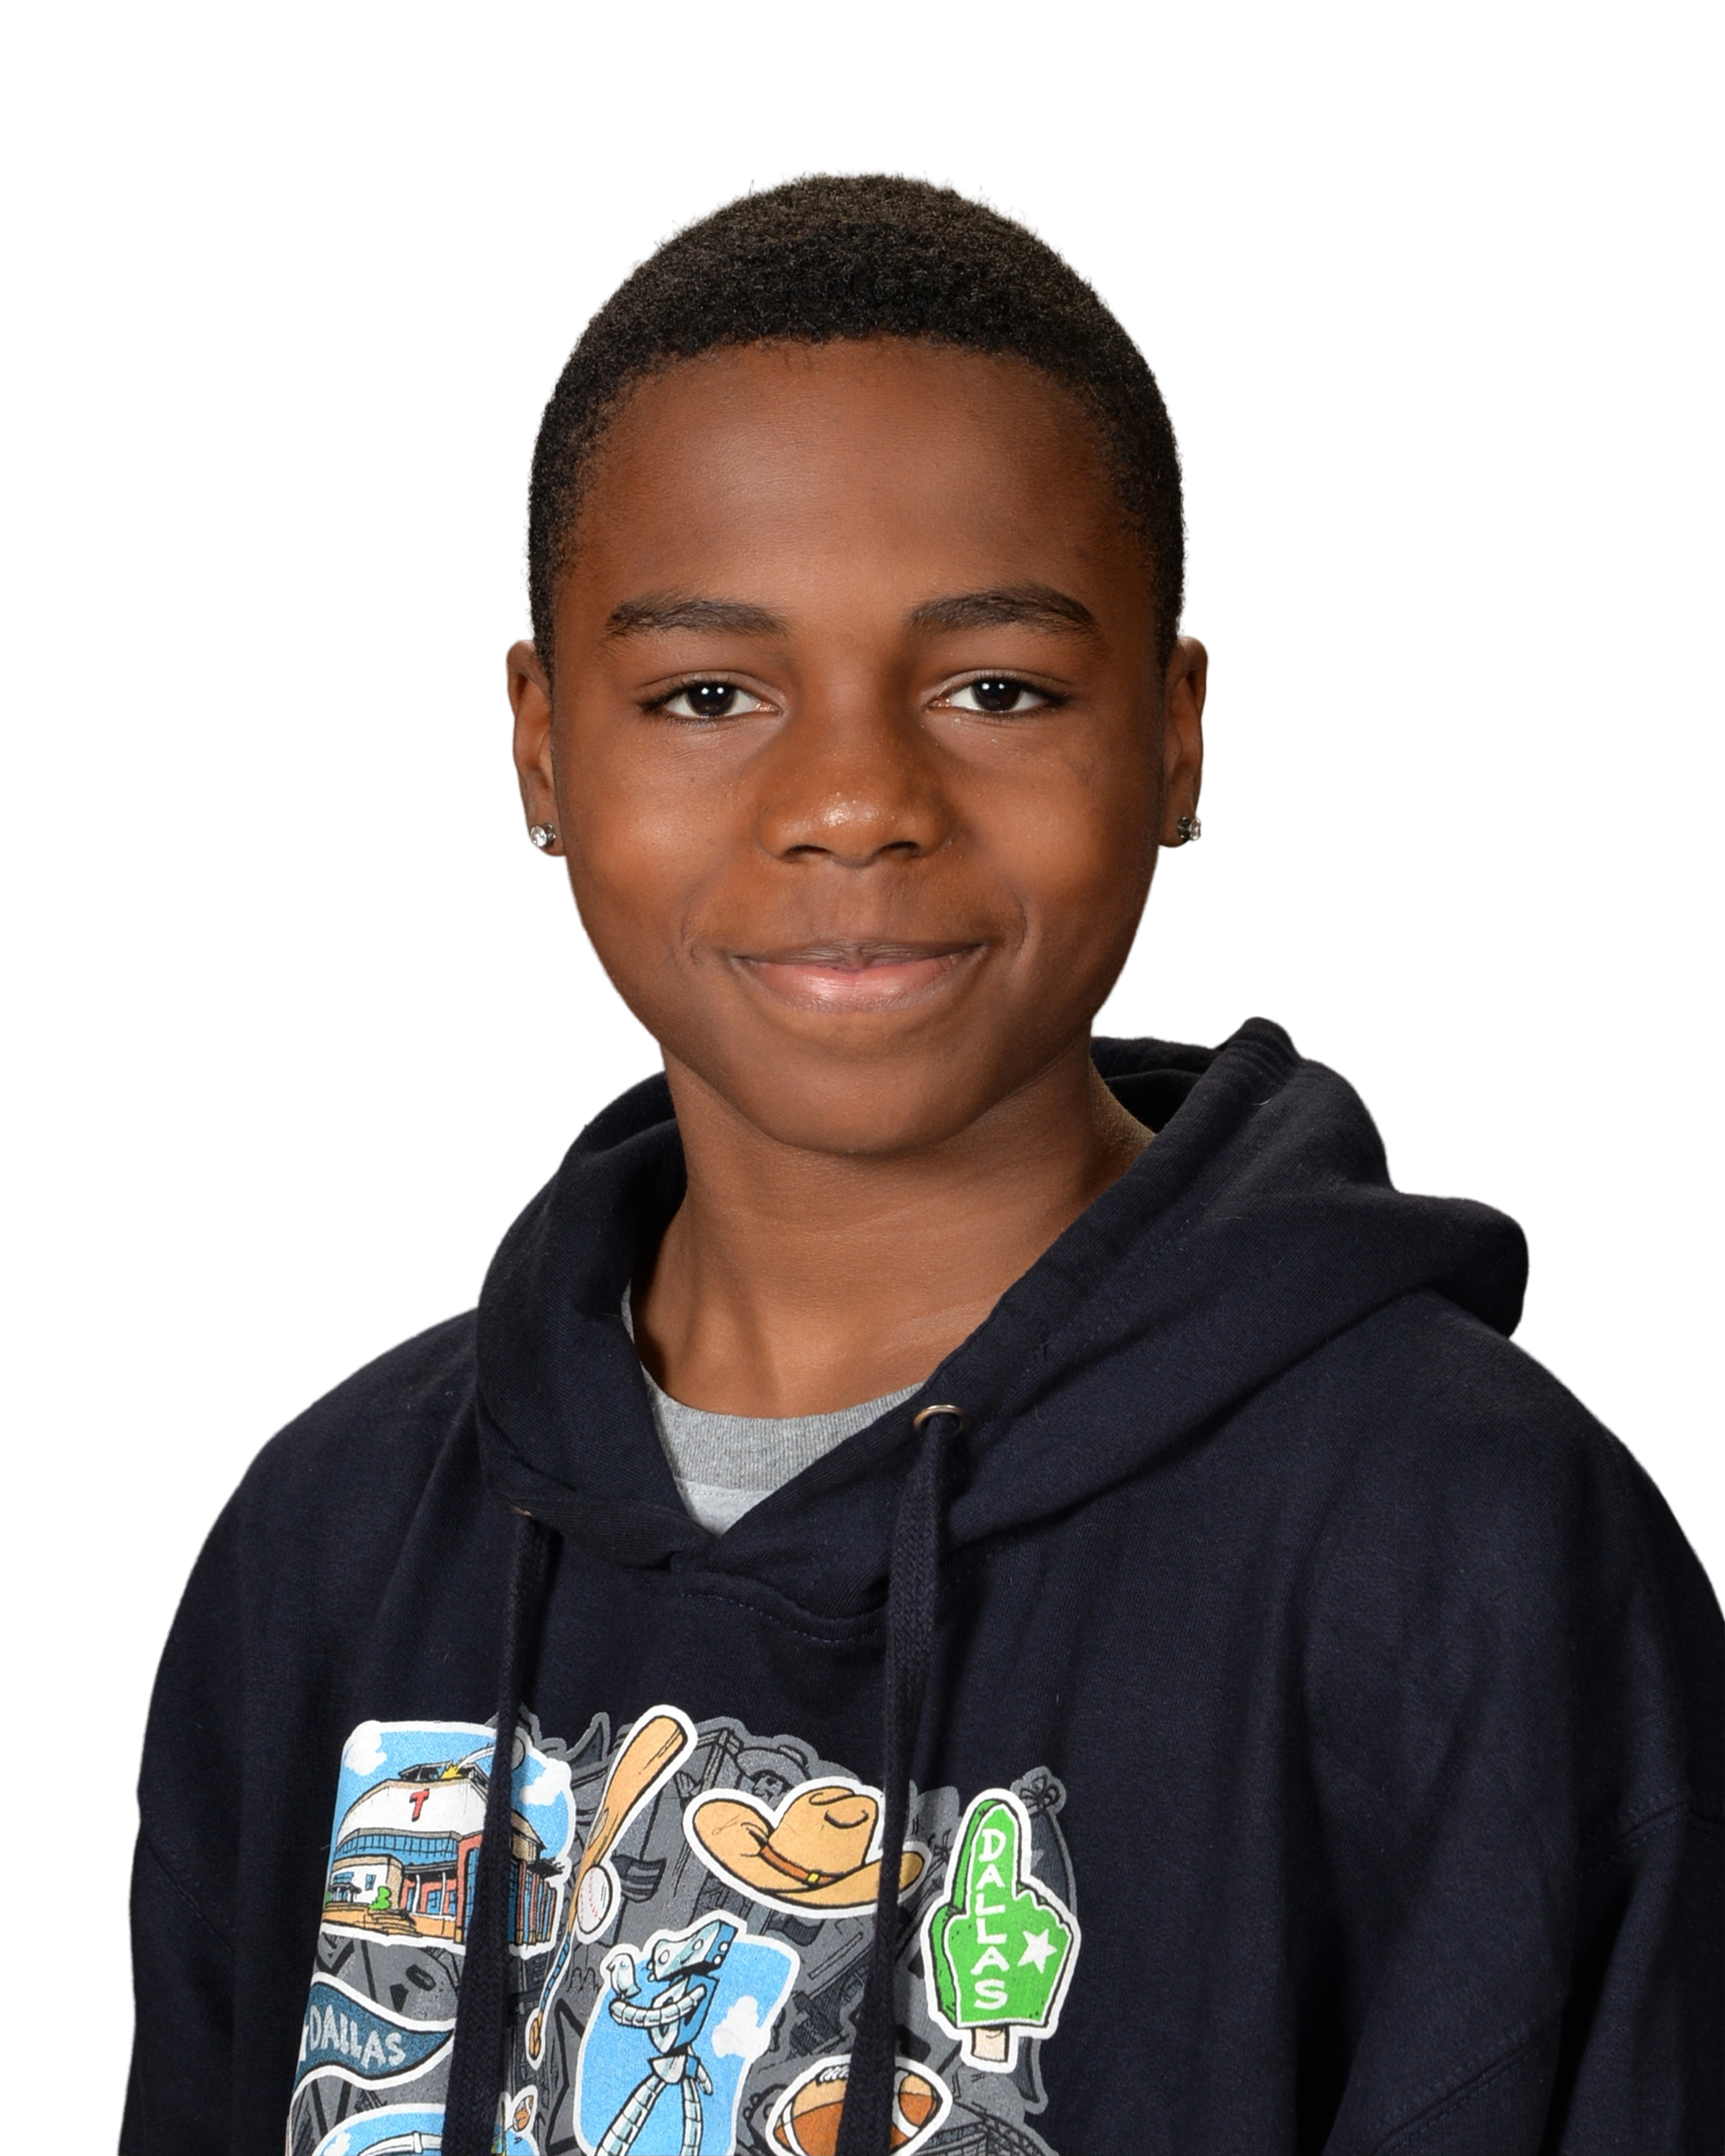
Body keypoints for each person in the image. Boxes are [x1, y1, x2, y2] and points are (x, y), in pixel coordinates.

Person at [119, 167, 1724, 2156]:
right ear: (540, 744)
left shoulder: (1460, 1545)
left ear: (1178, 735)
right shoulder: (332, 1543)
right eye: (710, 694)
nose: (859, 797)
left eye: (996, 690)